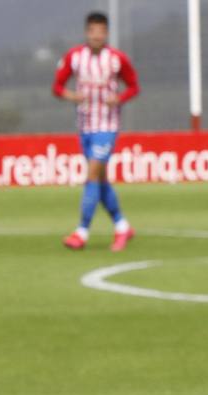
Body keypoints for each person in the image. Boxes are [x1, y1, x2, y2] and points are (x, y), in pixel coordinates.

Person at [53, 10, 138, 252]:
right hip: (85, 126)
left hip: (107, 126)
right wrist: (72, 95)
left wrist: (119, 98)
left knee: (92, 175)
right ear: (87, 32)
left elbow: (134, 86)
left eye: (101, 31)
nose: (97, 36)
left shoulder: (116, 59)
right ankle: (122, 226)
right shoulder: (75, 57)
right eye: (93, 31)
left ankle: (82, 232)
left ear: (107, 33)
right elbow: (57, 86)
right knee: (100, 181)